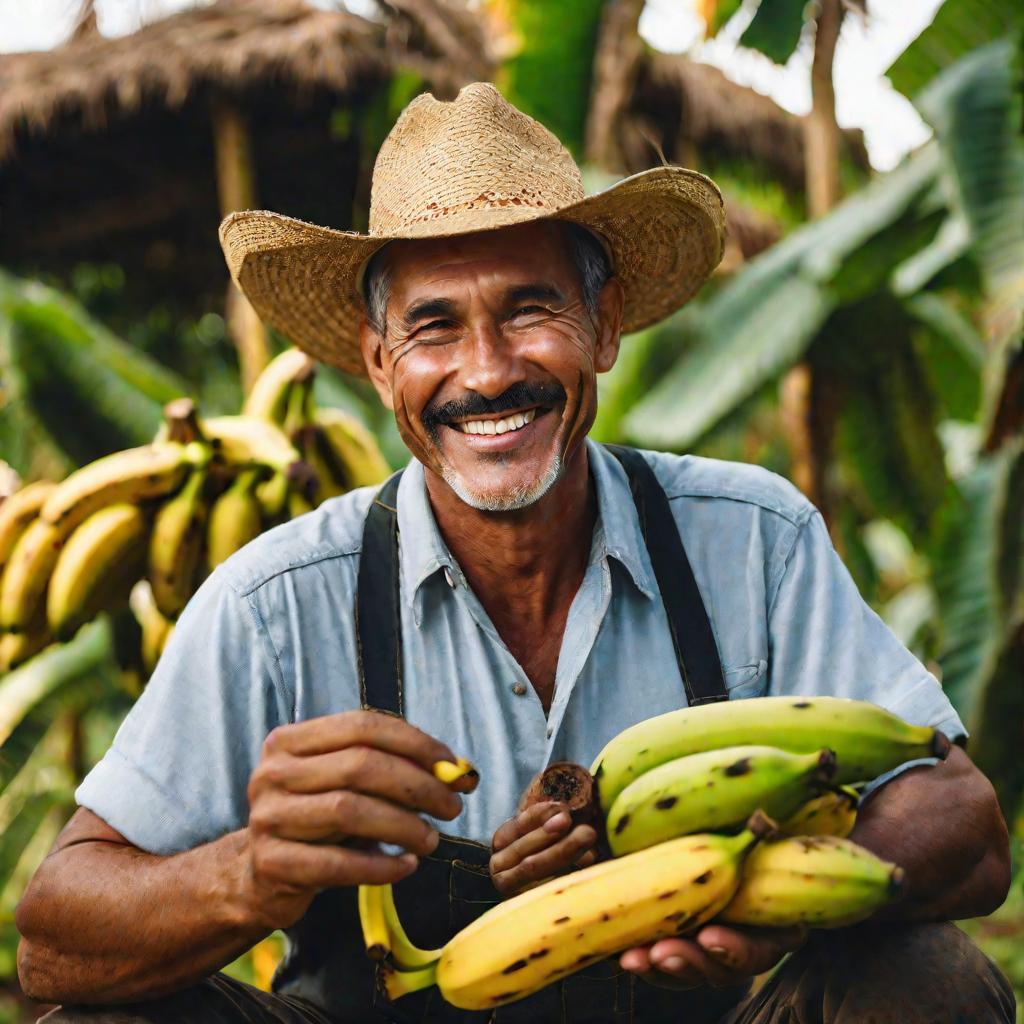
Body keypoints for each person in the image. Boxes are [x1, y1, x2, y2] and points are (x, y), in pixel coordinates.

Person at [15, 83, 1014, 1024]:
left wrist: (748, 893)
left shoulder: (748, 541)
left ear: (604, 324)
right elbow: (56, 939)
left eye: (530, 309)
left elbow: (961, 822)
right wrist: (251, 870)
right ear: (377, 364)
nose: (486, 372)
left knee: (925, 976)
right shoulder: (279, 603)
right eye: (433, 327)